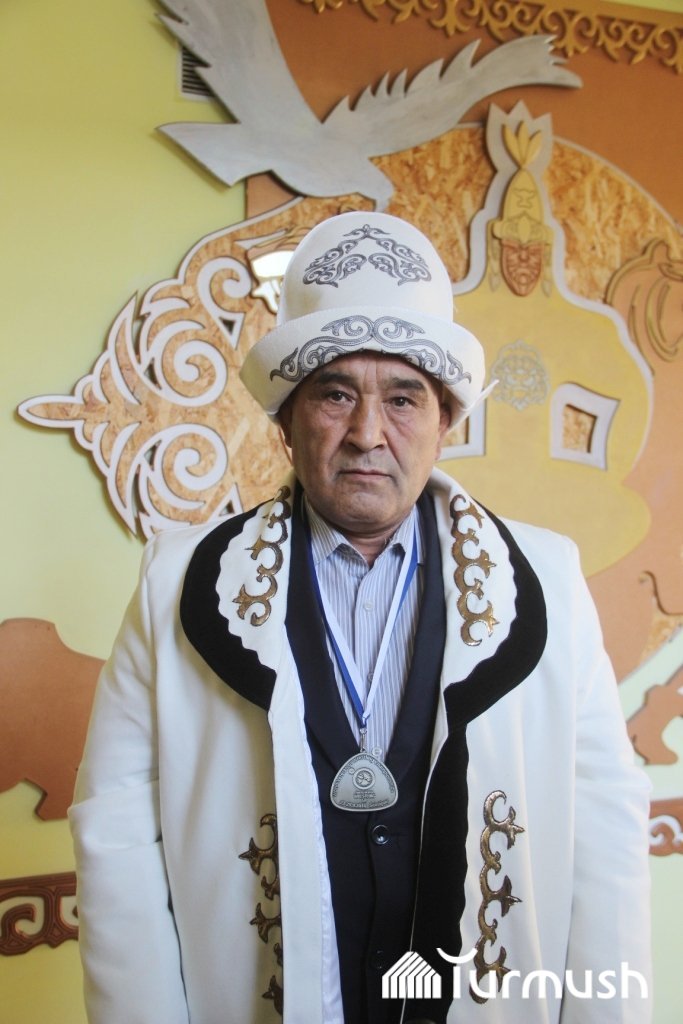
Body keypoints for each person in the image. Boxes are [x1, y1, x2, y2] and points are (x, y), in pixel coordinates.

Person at [69, 212, 651, 1024]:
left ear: (445, 422)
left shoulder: (546, 580)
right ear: (285, 420)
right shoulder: (174, 583)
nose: (366, 434)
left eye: (403, 398)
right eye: (335, 394)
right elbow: (117, 838)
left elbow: (605, 830)